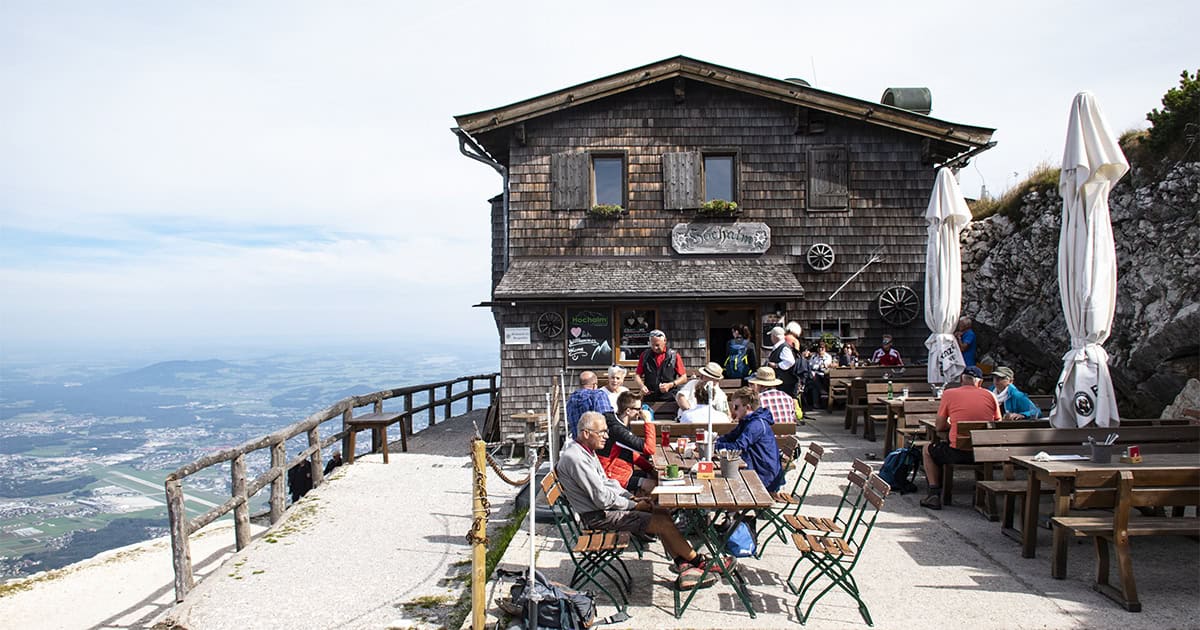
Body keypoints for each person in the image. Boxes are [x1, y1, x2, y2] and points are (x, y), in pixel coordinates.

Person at [556, 411, 734, 589]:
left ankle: (683, 563)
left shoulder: (586, 451)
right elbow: (602, 498)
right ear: (586, 433)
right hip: (597, 516)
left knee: (660, 511)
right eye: (602, 432)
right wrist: (634, 504)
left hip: (603, 509)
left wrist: (631, 497)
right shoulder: (576, 458)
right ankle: (701, 562)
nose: (607, 436)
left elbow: (607, 483)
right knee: (661, 522)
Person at [919, 366, 1001, 510]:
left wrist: (953, 426)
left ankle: (934, 493)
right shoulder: (991, 395)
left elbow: (939, 427)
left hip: (958, 452)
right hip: (984, 454)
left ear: (961, 379)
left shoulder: (949, 394)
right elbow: (997, 424)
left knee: (927, 449)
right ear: (980, 382)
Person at [715, 388, 784, 492]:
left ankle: (732, 508)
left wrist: (714, 447)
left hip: (763, 476)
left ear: (747, 407)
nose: (733, 410)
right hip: (755, 468)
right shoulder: (748, 421)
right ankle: (731, 508)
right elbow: (730, 437)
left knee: (721, 484)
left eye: (736, 407)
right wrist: (714, 443)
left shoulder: (756, 425)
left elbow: (737, 448)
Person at [596, 392, 657, 493]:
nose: (640, 412)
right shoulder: (617, 430)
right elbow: (649, 449)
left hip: (619, 470)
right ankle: (643, 507)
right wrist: (648, 421)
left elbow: (630, 453)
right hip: (611, 477)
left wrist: (650, 470)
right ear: (628, 411)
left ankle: (644, 504)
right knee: (652, 484)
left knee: (655, 477)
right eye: (638, 409)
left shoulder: (618, 422)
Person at [632, 329, 687, 402]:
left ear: (665, 341)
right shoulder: (645, 355)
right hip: (649, 397)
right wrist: (641, 386)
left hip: (669, 398)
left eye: (657, 345)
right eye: (652, 345)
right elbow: (637, 375)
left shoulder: (674, 356)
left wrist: (671, 384)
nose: (655, 348)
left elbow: (684, 378)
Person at [567, 370, 613, 439]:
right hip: (596, 443)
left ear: (580, 385)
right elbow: (607, 420)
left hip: (578, 444)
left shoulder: (571, 399)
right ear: (595, 385)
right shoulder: (598, 395)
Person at [764, 326, 799, 397]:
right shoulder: (780, 347)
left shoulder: (784, 348)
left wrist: (776, 365)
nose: (771, 338)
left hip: (786, 384)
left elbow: (790, 361)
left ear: (775, 337)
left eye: (771, 335)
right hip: (782, 382)